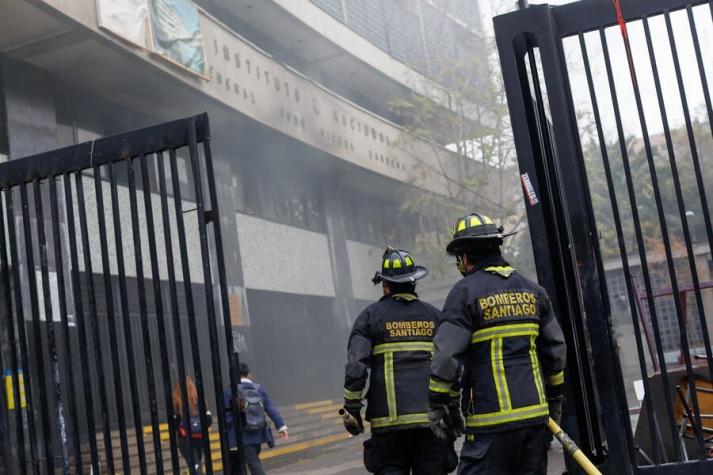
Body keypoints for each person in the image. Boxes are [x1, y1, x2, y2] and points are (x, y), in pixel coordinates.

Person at [429, 213, 567, 475]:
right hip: (534, 421)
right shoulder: (534, 291)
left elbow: (446, 355)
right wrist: (556, 401)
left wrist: (437, 403)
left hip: (490, 425)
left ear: (465, 256)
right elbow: (556, 353)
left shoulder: (465, 293)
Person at [343, 246, 457, 474]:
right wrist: (453, 409)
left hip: (389, 428)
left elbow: (356, 367)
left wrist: (352, 408)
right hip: (431, 424)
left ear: (385, 284)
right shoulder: (435, 317)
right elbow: (450, 365)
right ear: (414, 281)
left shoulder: (370, 317)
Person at [224, 362, 288, 475]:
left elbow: (226, 414)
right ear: (247, 373)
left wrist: (228, 430)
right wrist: (281, 426)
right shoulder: (258, 388)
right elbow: (270, 407)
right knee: (253, 460)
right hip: (258, 432)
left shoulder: (231, 391)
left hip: (241, 434)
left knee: (251, 464)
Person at [172, 377, 213, 474]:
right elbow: (209, 420)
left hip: (185, 440)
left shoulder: (176, 403)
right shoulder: (199, 401)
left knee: (194, 466)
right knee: (197, 465)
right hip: (200, 438)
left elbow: (174, 423)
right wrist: (198, 425)